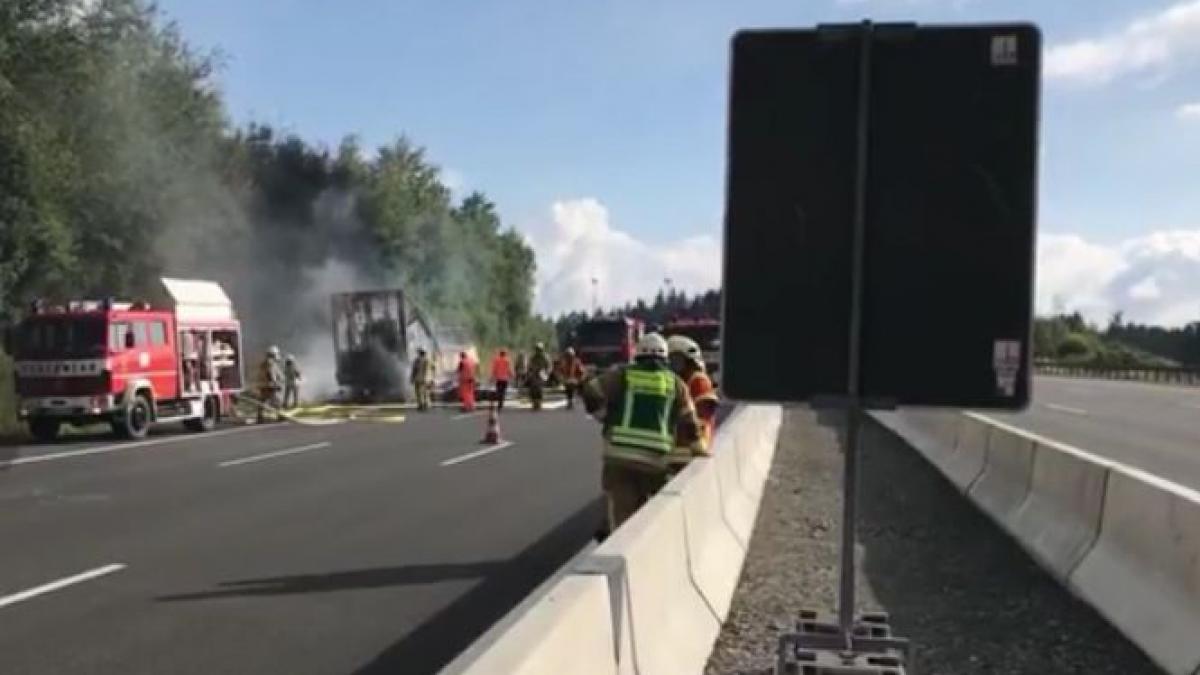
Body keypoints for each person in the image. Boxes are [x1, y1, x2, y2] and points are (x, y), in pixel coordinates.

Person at [582, 333, 702, 535]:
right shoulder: (676, 384)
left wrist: (603, 416)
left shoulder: (623, 375)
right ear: (665, 357)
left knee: (621, 522)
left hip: (619, 459)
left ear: (638, 354)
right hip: (655, 463)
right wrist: (698, 448)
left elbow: (591, 390)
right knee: (653, 520)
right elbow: (689, 422)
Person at [666, 335, 720, 472]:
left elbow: (702, 417)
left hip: (689, 454)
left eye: (675, 361)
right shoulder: (671, 383)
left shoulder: (698, 381)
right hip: (672, 454)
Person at [255, 345, 284, 423]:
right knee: (277, 402)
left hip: (263, 386)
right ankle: (281, 416)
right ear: (273, 354)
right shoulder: (271, 363)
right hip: (270, 386)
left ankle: (260, 417)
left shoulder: (264, 363)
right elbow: (271, 374)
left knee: (262, 402)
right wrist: (276, 384)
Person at [527, 342, 551, 411]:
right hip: (534, 372)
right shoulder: (533, 357)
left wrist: (547, 372)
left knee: (539, 389)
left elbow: (549, 366)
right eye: (537, 349)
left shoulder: (545, 357)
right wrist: (530, 372)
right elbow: (529, 365)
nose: (538, 351)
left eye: (539, 349)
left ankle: (539, 402)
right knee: (532, 387)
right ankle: (534, 401)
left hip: (542, 372)